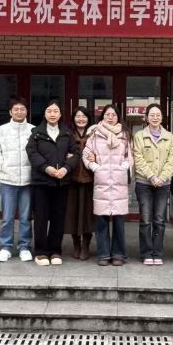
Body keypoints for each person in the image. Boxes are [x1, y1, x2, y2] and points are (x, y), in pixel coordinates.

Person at [26, 100, 79, 266]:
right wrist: (46, 168)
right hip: (42, 182)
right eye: (49, 111)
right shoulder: (36, 133)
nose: (52, 114)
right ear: (44, 114)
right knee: (41, 218)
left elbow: (76, 153)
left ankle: (55, 250)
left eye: (56, 111)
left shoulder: (67, 133)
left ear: (60, 114)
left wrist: (66, 168)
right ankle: (41, 252)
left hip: (61, 183)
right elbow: (32, 152)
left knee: (58, 218)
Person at [83, 104, 132, 266]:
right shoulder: (95, 134)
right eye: (107, 114)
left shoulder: (125, 135)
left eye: (113, 114)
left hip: (119, 182)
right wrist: (95, 167)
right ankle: (103, 254)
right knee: (101, 221)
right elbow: (86, 154)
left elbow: (130, 156)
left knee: (118, 222)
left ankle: (118, 254)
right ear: (102, 116)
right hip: (102, 182)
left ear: (118, 117)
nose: (110, 117)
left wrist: (123, 167)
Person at [0, 96, 35, 263]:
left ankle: (24, 247)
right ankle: (6, 247)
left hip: (28, 181)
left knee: (25, 217)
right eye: (16, 109)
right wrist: (3, 166)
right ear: (10, 112)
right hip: (8, 181)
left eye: (22, 109)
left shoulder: (33, 130)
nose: (19, 112)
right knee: (7, 217)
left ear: (26, 111)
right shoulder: (1, 131)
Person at [132, 103, 173, 266]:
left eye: (158, 115)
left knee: (159, 219)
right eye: (152, 115)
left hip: (163, 184)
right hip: (144, 183)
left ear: (162, 117)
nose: (155, 117)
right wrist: (152, 177)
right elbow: (138, 158)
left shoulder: (170, 137)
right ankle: (146, 253)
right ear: (146, 117)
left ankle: (157, 252)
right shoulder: (139, 136)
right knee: (145, 220)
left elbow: (172, 160)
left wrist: (162, 177)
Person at [64, 106, 94, 260]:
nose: (81, 119)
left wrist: (96, 157)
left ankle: (86, 245)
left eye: (84, 116)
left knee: (88, 213)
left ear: (88, 118)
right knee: (73, 213)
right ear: (73, 119)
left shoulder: (94, 134)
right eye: (78, 116)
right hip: (72, 179)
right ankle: (76, 244)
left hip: (90, 179)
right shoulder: (67, 134)